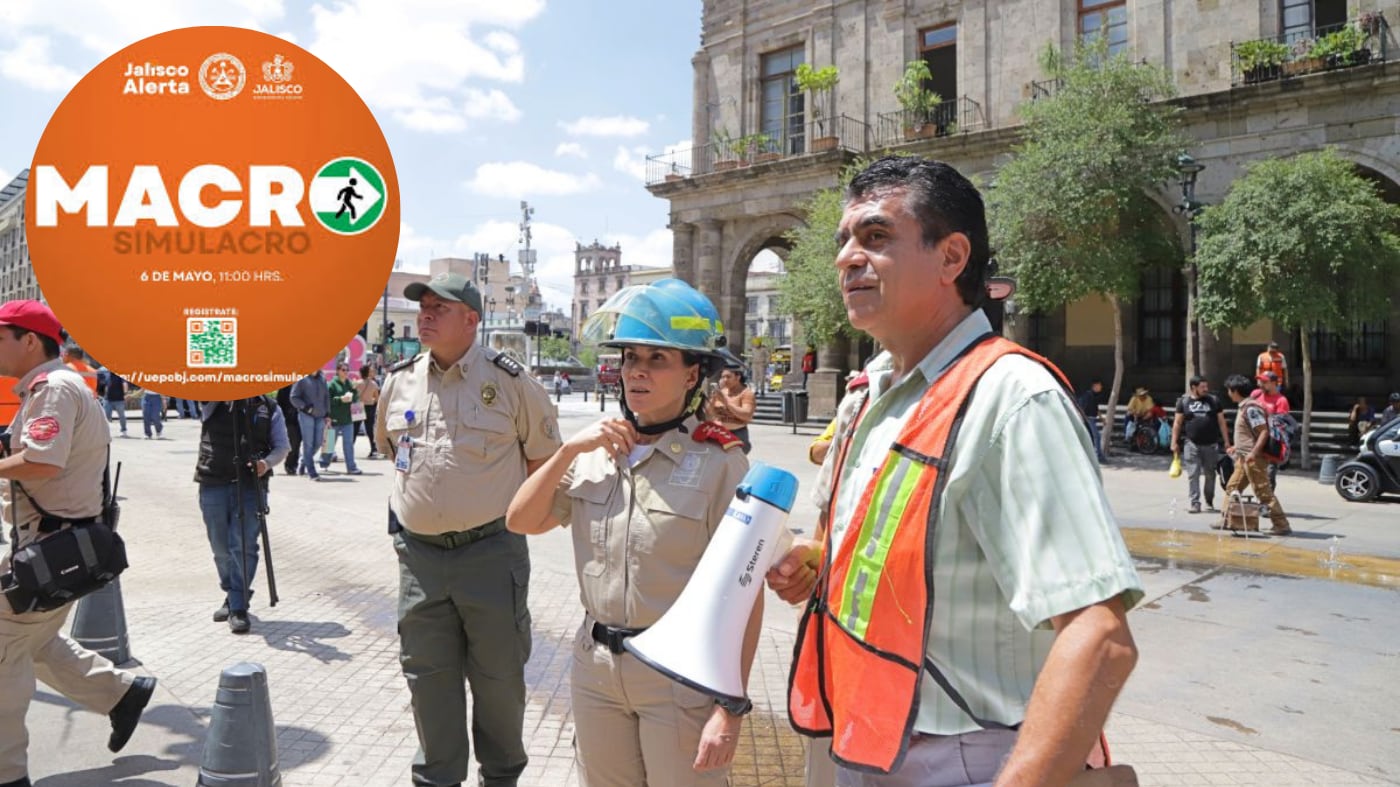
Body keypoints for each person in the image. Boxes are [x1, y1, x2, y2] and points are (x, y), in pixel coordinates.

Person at [765, 156, 1142, 785]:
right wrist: (819, 558)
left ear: (951, 258)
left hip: (963, 757)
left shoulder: (1013, 398)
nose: (847, 258)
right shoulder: (873, 392)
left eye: (877, 237)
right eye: (845, 242)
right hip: (862, 739)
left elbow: (1100, 638)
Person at [506, 277, 755, 787]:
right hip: (596, 669)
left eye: (657, 359)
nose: (637, 371)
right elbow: (521, 520)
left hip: (678, 678)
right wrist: (568, 451)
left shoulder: (719, 464)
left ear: (692, 375)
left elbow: (745, 596)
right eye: (629, 358)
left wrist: (730, 706)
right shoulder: (594, 451)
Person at [375, 272, 561, 787]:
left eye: (440, 307)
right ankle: (437, 779)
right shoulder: (399, 380)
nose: (426, 315)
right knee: (427, 678)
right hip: (420, 560)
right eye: (424, 307)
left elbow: (544, 466)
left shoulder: (510, 381)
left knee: (499, 682)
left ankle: (500, 779)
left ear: (472, 320)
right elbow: (394, 454)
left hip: (490, 555)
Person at [0, 300, 157, 785]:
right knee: (38, 642)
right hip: (57, 548)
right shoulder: (51, 389)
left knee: (5, 658)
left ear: (30, 341)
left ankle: (8, 773)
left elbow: (44, 462)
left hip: (51, 553)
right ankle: (121, 693)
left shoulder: (53, 390)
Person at [195, 396, 289, 634]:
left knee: (244, 545)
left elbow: (282, 446)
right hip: (212, 480)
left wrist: (266, 464)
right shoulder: (212, 401)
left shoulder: (269, 407)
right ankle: (232, 591)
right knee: (220, 547)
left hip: (250, 487)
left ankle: (238, 605)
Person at [1221, 374, 1292, 535]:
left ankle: (1281, 524)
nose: (1228, 394)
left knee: (1263, 492)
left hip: (1253, 458)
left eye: (1229, 390)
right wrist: (1236, 447)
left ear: (1235, 391)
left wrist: (1253, 453)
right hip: (1243, 457)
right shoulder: (1244, 406)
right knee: (1232, 487)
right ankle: (1226, 519)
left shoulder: (1251, 409)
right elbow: (1247, 434)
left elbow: (1263, 432)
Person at [1171, 376, 1231, 514]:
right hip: (1191, 444)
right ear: (1193, 387)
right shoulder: (1183, 402)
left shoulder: (1214, 401)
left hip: (1211, 444)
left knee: (1210, 474)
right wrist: (1174, 442)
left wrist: (1227, 441)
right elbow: (1178, 423)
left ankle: (1209, 499)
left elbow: (1222, 422)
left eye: (1206, 386)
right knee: (1193, 473)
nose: (1206, 389)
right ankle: (1195, 502)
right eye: (1202, 387)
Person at [319, 362, 362, 476]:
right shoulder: (332, 385)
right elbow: (327, 401)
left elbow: (355, 399)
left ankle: (351, 467)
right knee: (329, 444)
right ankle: (324, 464)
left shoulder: (349, 383)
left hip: (347, 419)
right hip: (334, 419)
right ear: (337, 371)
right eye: (343, 370)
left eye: (347, 370)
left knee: (348, 444)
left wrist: (354, 389)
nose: (346, 372)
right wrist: (340, 399)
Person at [1251, 371, 1293, 486]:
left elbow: (1280, 426)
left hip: (1270, 444)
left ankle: (1268, 502)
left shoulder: (1281, 400)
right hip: (1254, 440)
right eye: (1260, 381)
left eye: (1265, 382)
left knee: (1268, 478)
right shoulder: (1256, 395)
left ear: (1274, 383)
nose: (1261, 384)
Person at [290, 370, 330, 481]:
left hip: (320, 415)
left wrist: (327, 413)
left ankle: (303, 462)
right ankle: (312, 472)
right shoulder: (301, 378)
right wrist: (305, 407)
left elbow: (326, 396)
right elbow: (294, 397)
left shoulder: (322, 378)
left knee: (317, 443)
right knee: (308, 444)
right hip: (306, 415)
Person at [708, 363, 756, 454]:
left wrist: (726, 402)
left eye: (728, 377)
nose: (725, 380)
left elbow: (747, 415)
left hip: (736, 435)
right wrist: (713, 398)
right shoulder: (722, 392)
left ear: (737, 377)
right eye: (723, 377)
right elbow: (707, 413)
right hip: (718, 434)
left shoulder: (746, 393)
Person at [275, 384, 302, 475]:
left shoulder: (303, 382)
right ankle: (290, 465)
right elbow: (279, 402)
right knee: (294, 441)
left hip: (302, 416)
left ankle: (294, 464)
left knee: (297, 442)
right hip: (289, 418)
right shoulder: (285, 386)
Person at [355, 364, 381, 460]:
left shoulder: (357, 383)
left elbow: (354, 396)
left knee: (355, 428)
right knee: (370, 429)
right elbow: (377, 398)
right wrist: (371, 400)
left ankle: (349, 449)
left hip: (358, 406)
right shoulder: (374, 384)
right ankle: (373, 449)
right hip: (369, 406)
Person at [1077, 378, 1105, 462]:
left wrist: (1102, 419)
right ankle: (1098, 456)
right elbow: (1081, 407)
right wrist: (1083, 419)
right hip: (1088, 419)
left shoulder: (1094, 396)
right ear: (1095, 386)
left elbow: (1097, 409)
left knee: (1093, 437)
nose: (1101, 387)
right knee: (1097, 437)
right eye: (1099, 386)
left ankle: (1094, 456)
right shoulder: (1087, 395)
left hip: (1092, 418)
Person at [99, 369, 129, 437]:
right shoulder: (106, 374)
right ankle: (104, 432)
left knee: (122, 416)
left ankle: (124, 430)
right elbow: (104, 385)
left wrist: (126, 393)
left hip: (119, 400)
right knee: (105, 416)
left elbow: (125, 384)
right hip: (108, 400)